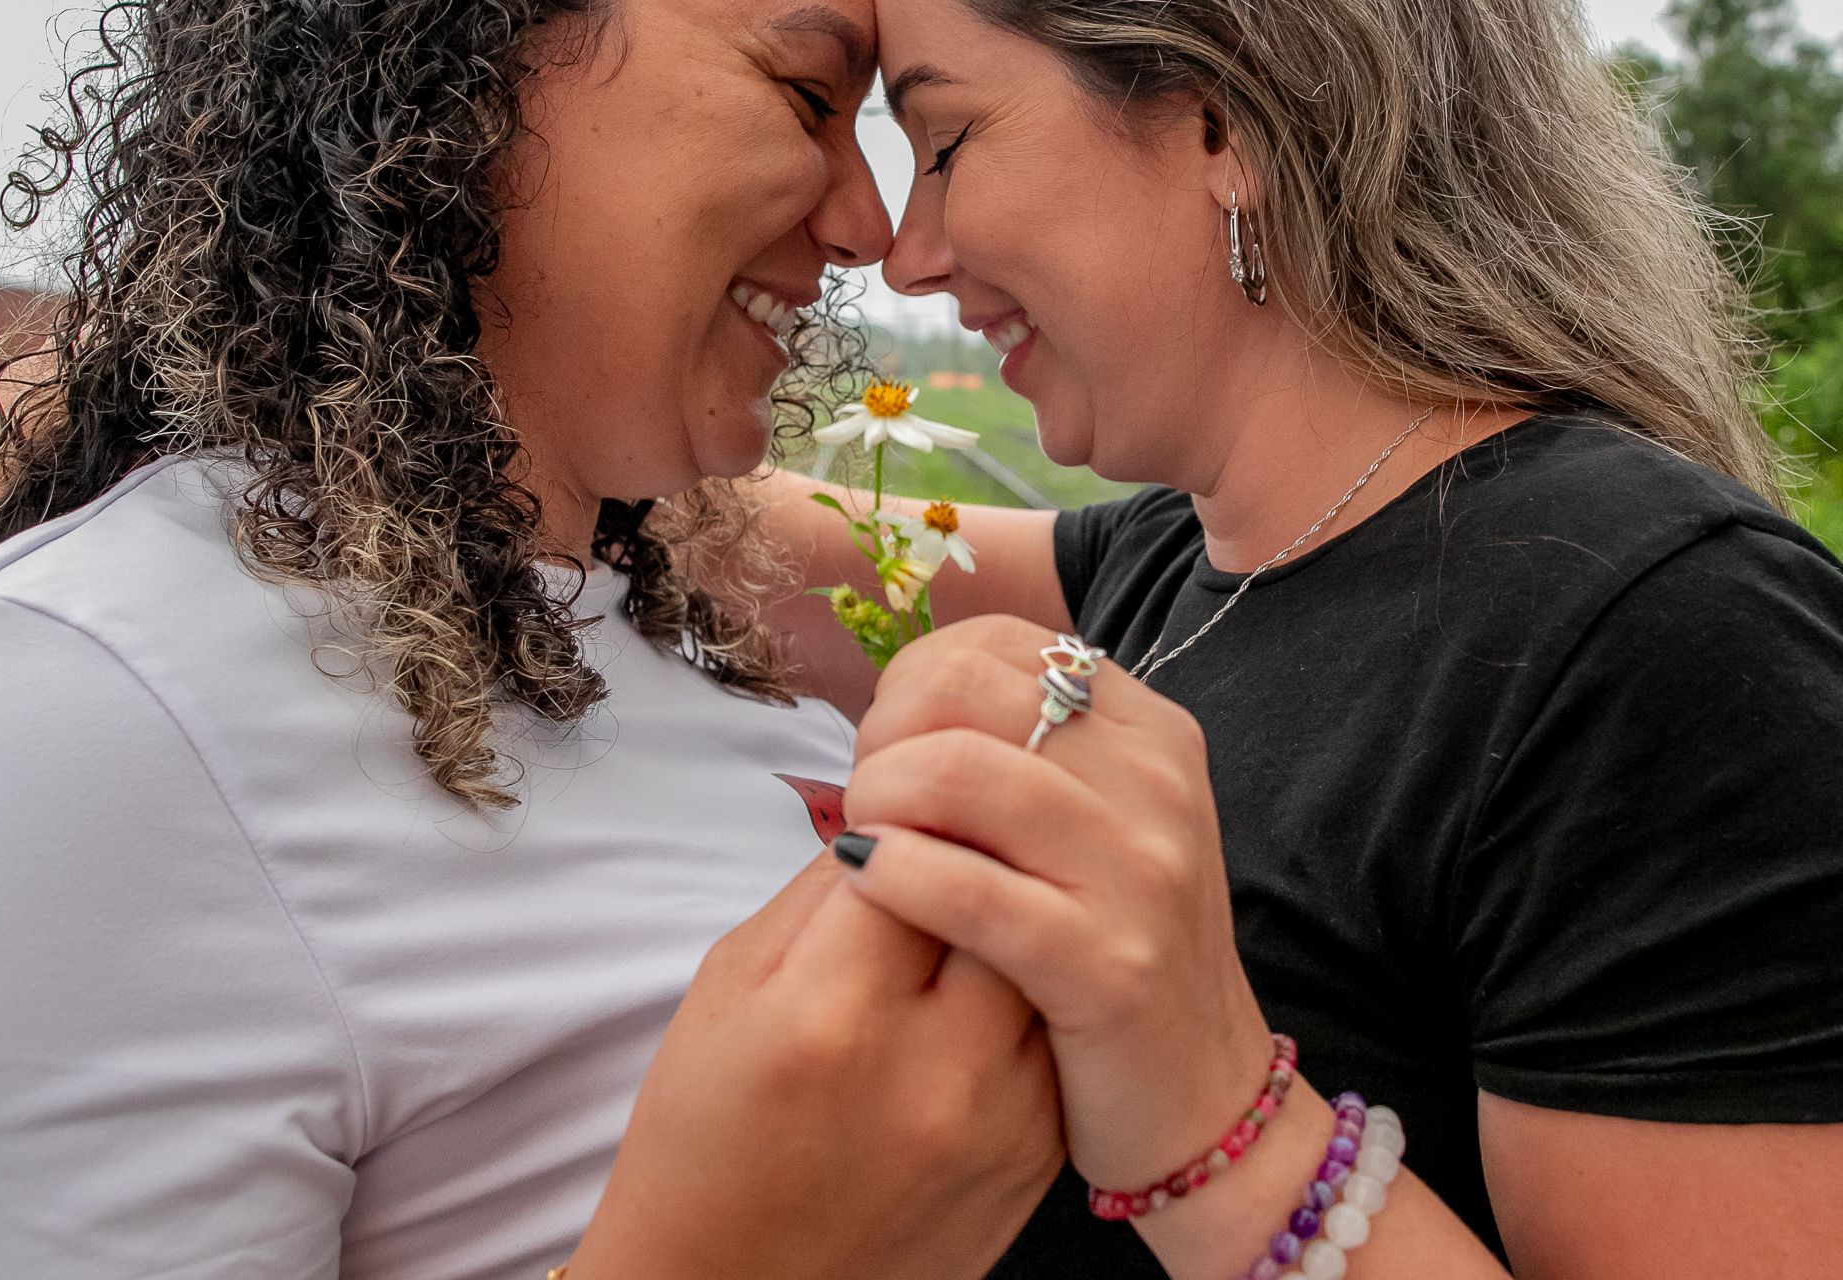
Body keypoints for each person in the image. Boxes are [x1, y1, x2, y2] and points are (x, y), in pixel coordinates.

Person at [0, 2, 1065, 1278]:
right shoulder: (75, 713)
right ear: (456, 74)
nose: (866, 224)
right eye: (807, 97)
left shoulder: (649, 645)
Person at [759, 0, 1843, 1275]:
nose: (909, 256)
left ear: (1226, 119)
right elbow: (756, 547)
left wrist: (1212, 1113)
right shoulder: (1180, 562)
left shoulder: (1659, 632)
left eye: (943, 142)